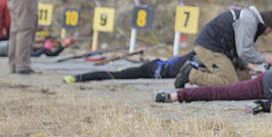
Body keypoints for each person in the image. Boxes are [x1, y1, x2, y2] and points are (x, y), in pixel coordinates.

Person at [181, 6, 272, 87]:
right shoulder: (249, 21)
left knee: (242, 75)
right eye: (269, 31)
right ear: (266, 25)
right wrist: (263, 59)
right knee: (230, 82)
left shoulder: (249, 18)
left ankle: (198, 71)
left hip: (216, 48)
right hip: (210, 48)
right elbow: (244, 51)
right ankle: (191, 74)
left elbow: (237, 48)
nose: (267, 34)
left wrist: (243, 65)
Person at [65, 53, 194, 84]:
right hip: (150, 70)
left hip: (152, 68)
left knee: (118, 74)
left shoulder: (197, 55)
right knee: (114, 75)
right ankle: (78, 78)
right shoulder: (196, 56)